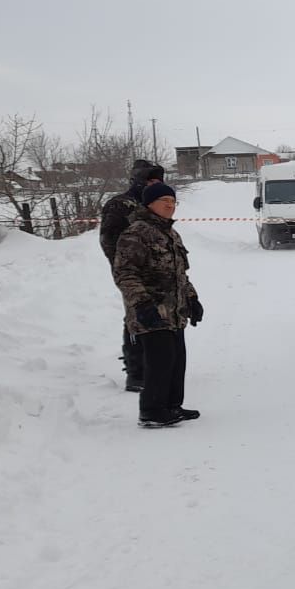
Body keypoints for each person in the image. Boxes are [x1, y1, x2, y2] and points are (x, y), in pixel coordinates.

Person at [111, 182, 202, 428]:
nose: (170, 206)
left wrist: (192, 298)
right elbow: (125, 273)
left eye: (173, 202)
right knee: (160, 361)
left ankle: (171, 405)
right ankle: (152, 410)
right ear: (149, 203)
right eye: (165, 201)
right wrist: (141, 304)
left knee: (176, 360)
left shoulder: (170, 233)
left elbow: (180, 274)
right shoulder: (136, 233)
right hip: (151, 310)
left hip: (174, 310)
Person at [99, 160, 164, 392]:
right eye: (149, 180)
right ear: (138, 180)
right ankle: (136, 372)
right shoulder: (119, 205)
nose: (154, 184)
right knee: (136, 316)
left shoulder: (153, 204)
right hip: (131, 272)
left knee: (159, 315)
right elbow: (108, 240)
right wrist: (123, 268)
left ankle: (156, 366)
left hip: (159, 271)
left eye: (157, 180)